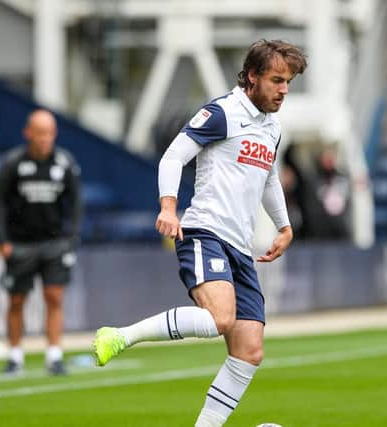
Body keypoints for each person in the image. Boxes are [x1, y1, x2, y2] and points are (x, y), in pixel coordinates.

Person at [93, 39, 307, 426]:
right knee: (219, 318)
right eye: (277, 80)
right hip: (205, 232)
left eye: (288, 82)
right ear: (253, 77)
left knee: (249, 350)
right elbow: (174, 155)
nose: (284, 90)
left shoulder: (271, 128)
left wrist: (284, 225)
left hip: (240, 247)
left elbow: (268, 176)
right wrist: (169, 206)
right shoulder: (222, 113)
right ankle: (122, 335)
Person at [0, 109, 82, 376]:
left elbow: (76, 202)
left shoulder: (65, 163)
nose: (44, 139)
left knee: (54, 296)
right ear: (28, 133)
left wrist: (72, 238)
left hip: (54, 244)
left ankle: (54, 355)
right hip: (20, 244)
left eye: (49, 133)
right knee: (16, 300)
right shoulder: (13, 164)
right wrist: (2, 240)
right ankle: (15, 356)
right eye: (39, 132)